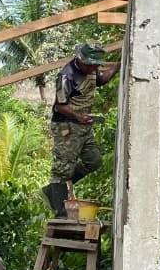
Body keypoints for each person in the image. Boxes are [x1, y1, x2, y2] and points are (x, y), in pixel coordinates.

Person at [42, 43, 119, 217]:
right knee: (62, 168)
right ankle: (60, 211)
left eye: (96, 65)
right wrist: (77, 116)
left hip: (84, 125)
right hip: (66, 125)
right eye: (90, 65)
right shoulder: (66, 76)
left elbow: (101, 80)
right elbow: (60, 106)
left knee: (94, 161)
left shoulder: (92, 69)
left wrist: (117, 67)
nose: (93, 68)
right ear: (80, 60)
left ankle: (51, 190)